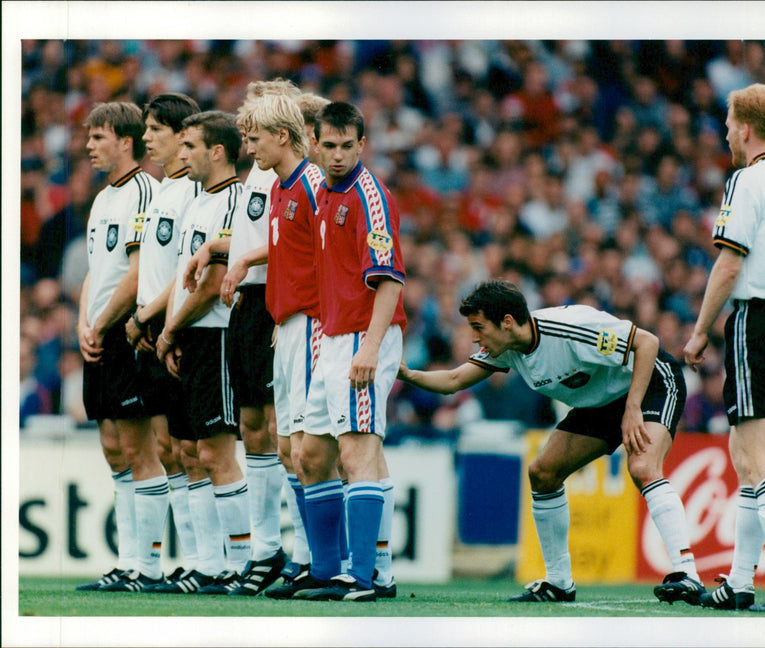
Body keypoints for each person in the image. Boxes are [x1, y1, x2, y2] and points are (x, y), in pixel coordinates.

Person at [399, 279, 705, 605]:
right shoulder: (507, 348)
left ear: (506, 322)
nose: (475, 337)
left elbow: (647, 342)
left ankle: (687, 574)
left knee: (643, 465)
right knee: (542, 473)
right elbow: (454, 379)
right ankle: (559, 583)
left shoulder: (570, 328)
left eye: (479, 327)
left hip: (651, 381)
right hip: (600, 401)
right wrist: (405, 374)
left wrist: (633, 408)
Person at [182, 80, 304, 597]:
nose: (246, 141)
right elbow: (257, 236)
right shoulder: (260, 175)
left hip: (271, 299)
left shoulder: (296, 175)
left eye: (253, 130)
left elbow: (289, 245)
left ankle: (299, 552)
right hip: (246, 305)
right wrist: (216, 248)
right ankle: (266, 549)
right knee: (254, 425)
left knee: (284, 431)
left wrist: (237, 260)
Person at [292, 101, 406, 602]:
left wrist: (372, 349)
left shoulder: (369, 196)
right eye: (328, 146)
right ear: (315, 144)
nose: (337, 155)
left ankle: (361, 578)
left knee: (357, 452)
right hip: (330, 335)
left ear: (362, 145)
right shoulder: (321, 190)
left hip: (363, 335)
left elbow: (389, 283)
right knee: (312, 454)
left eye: (347, 146)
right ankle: (327, 569)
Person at [684, 83, 765, 613]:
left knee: (764, 461)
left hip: (762, 319)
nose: (724, 129)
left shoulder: (748, 180)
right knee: (745, 456)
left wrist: (700, 330)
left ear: (745, 127)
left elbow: (729, 262)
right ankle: (741, 580)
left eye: (727, 120)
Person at [155, 110, 248, 594]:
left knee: (216, 452)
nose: (181, 153)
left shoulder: (233, 202)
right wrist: (174, 333)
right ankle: (208, 566)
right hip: (189, 337)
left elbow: (212, 283)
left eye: (189, 145)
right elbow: (184, 277)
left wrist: (170, 330)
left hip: (214, 335)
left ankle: (242, 563)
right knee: (191, 453)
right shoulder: (195, 202)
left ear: (216, 151)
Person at [112, 93, 202, 592]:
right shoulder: (165, 190)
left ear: (179, 134)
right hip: (151, 332)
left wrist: (153, 316)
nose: (147, 138)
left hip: (177, 329)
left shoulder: (193, 191)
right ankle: (188, 560)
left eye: (155, 129)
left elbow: (188, 272)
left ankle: (205, 561)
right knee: (170, 449)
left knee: (193, 449)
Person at [74, 102, 164, 591]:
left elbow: (135, 274)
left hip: (128, 333)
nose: (89, 146)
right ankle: (127, 562)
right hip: (100, 334)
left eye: (98, 137)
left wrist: (103, 324)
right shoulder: (102, 198)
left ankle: (148, 568)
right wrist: (81, 322)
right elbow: (97, 270)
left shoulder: (143, 192)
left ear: (125, 142)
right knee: (112, 447)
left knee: (138, 445)